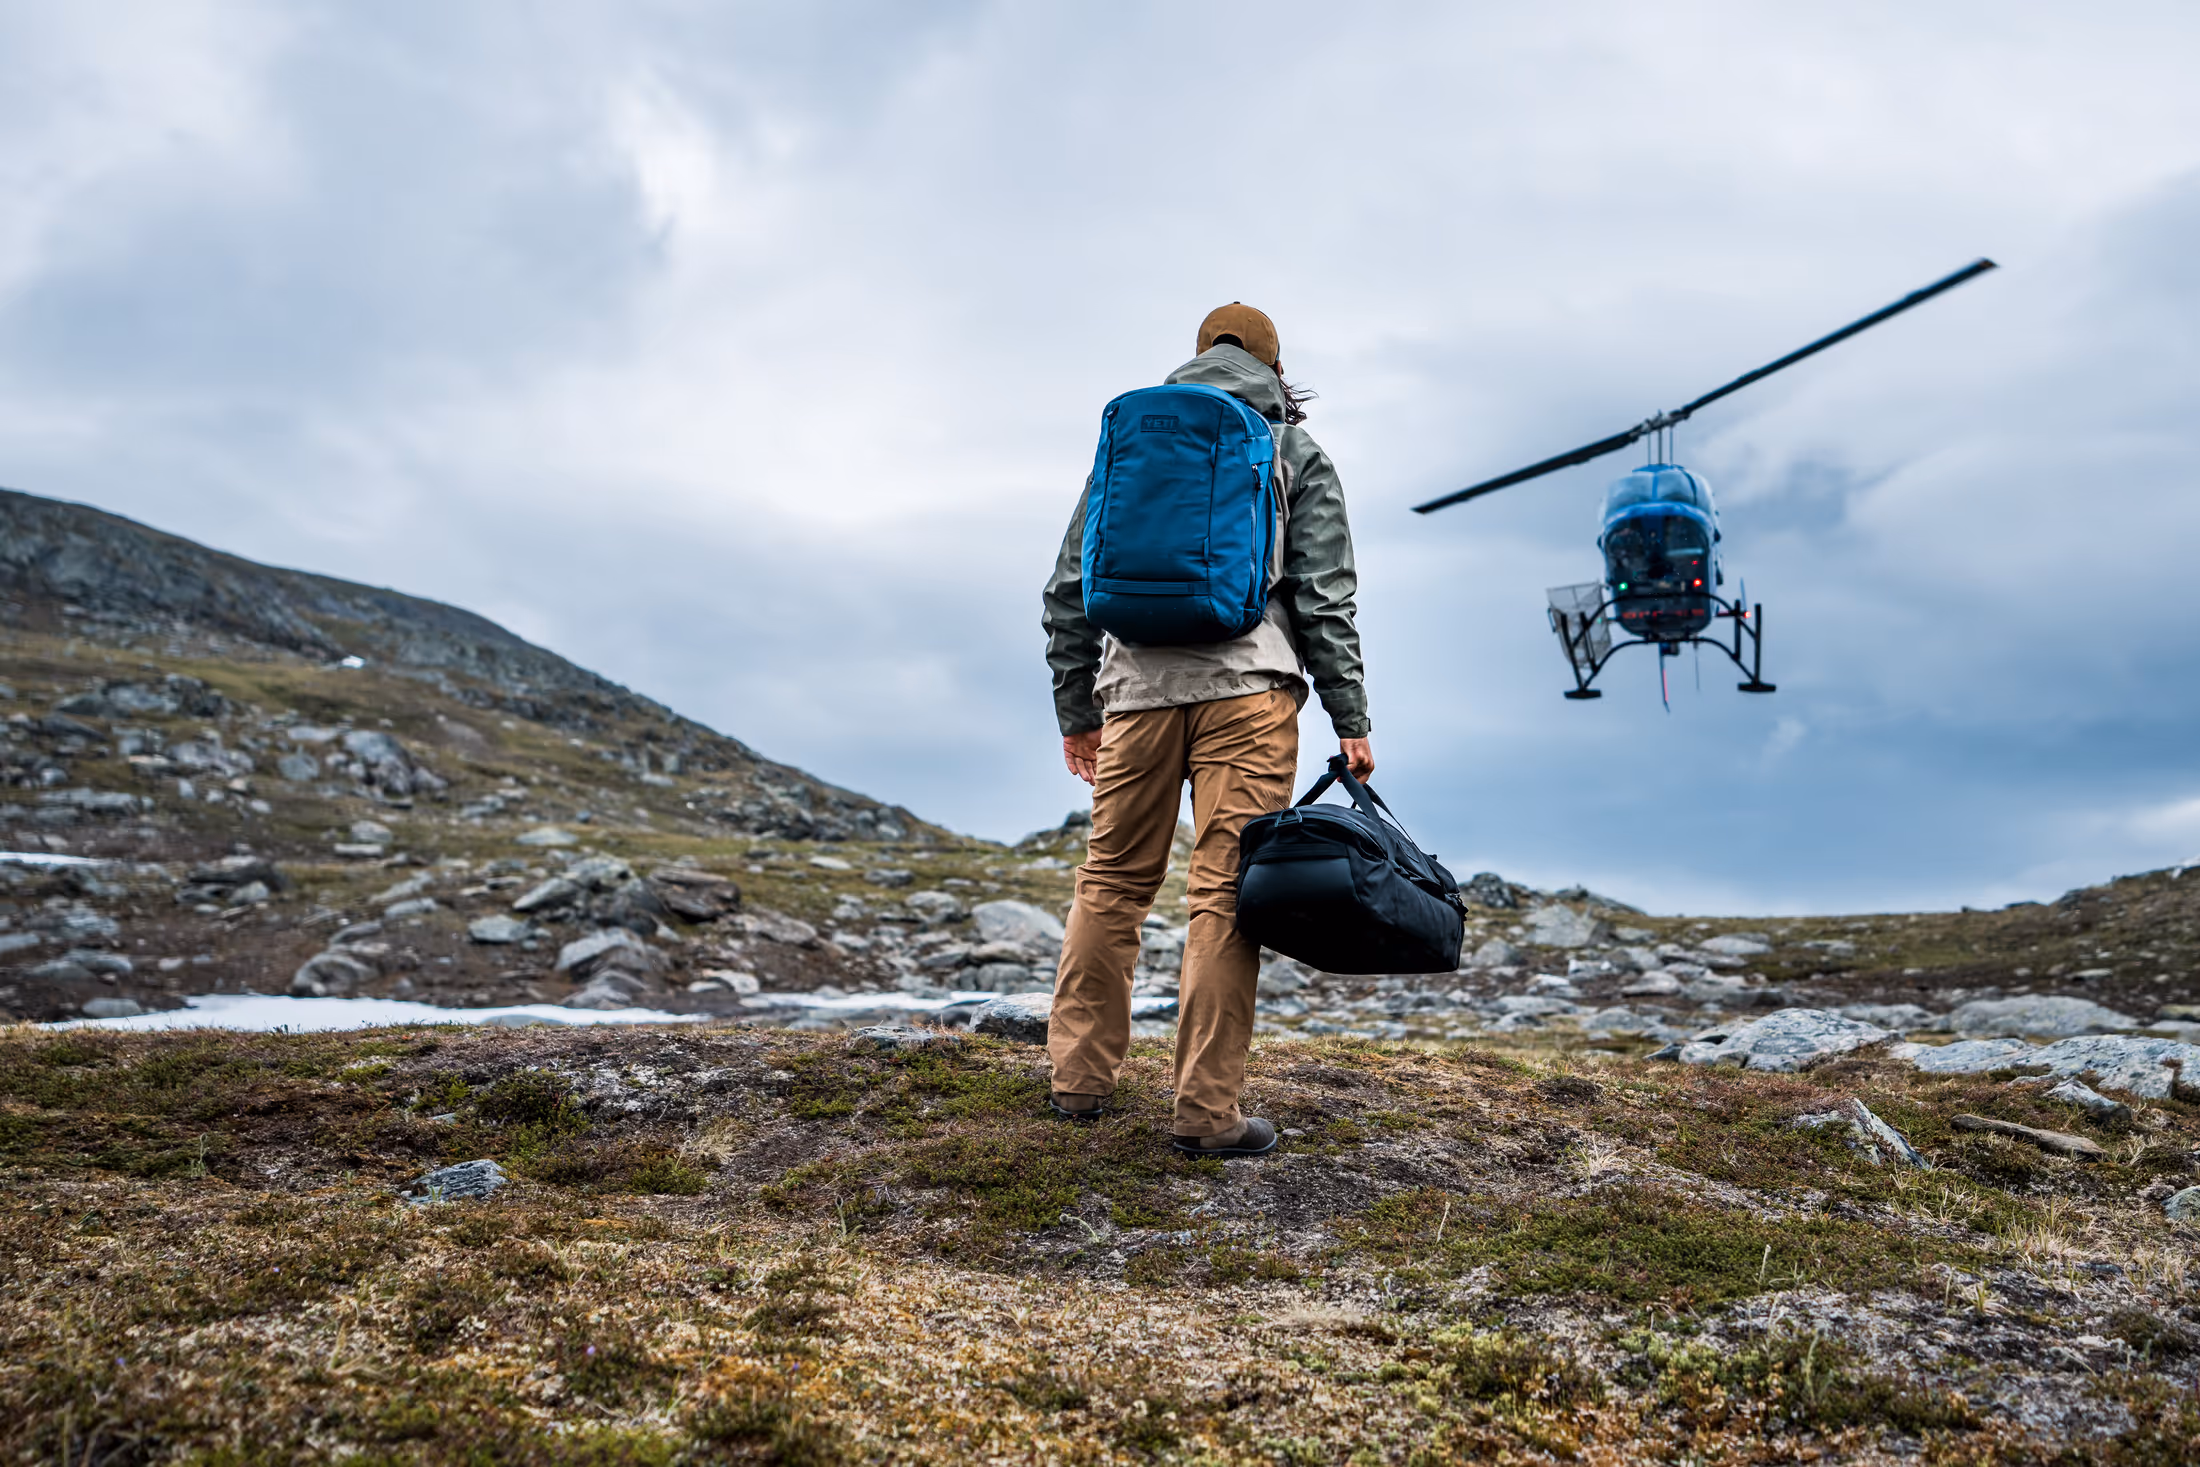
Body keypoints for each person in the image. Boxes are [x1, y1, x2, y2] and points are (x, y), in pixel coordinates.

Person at [1040, 302, 1372, 1157]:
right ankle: (1205, 1113)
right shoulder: (1293, 449)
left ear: (1196, 358)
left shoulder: (1133, 444)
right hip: (1250, 694)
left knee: (1111, 882)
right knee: (1223, 892)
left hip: (1135, 694)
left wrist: (1078, 712)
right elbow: (1324, 598)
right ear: (1275, 367)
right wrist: (1351, 717)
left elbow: (1068, 587)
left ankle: (1078, 1083)